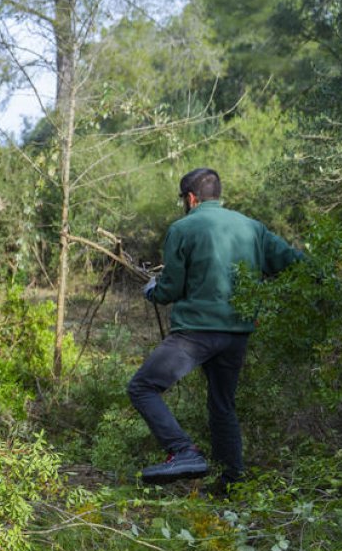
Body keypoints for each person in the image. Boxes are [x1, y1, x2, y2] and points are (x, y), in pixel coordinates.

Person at [129, 168, 304, 489]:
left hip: (196, 333)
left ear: (191, 198)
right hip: (237, 334)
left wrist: (153, 290)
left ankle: (183, 451)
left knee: (142, 387)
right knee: (222, 405)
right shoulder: (253, 228)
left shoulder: (183, 228)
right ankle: (231, 481)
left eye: (183, 199)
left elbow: (170, 290)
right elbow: (293, 262)